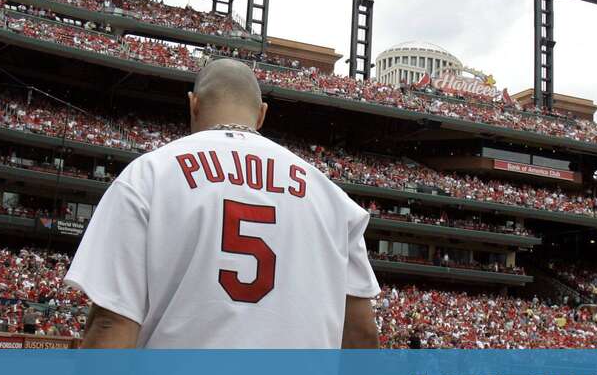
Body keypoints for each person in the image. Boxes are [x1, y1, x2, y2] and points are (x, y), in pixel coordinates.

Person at [65, 59, 380, 349]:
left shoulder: (149, 174)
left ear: (194, 104)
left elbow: (112, 322)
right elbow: (361, 331)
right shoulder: (332, 197)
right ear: (261, 114)